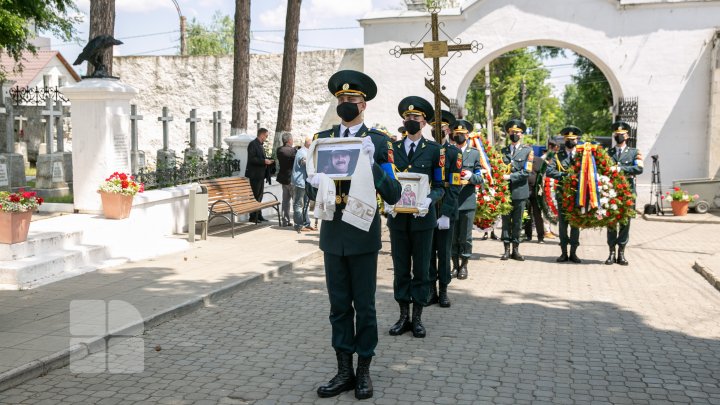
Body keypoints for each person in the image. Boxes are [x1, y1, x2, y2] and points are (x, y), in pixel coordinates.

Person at [308, 70, 401, 400]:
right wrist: (313, 184)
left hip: (362, 233)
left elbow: (393, 193)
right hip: (333, 232)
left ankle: (364, 371)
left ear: (364, 105)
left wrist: (372, 163)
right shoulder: (324, 138)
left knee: (365, 306)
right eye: (341, 100)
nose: (346, 104)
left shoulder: (378, 142)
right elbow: (310, 191)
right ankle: (343, 371)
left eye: (352, 100)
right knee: (338, 307)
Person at [386, 96, 445, 338]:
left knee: (421, 269)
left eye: (416, 118)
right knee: (401, 269)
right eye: (408, 117)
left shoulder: (435, 150)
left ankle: (418, 318)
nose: (411, 121)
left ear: (424, 123)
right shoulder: (393, 150)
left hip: (423, 219)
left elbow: (441, 185)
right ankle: (403, 316)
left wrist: (429, 200)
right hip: (398, 219)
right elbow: (387, 180)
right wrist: (388, 202)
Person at [428, 110, 461, 307]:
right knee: (428, 251)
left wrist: (447, 213)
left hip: (446, 207)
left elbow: (455, 185)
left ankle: (444, 290)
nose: (437, 131)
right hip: (429, 206)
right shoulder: (427, 150)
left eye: (440, 128)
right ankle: (431, 289)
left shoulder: (454, 153)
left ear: (448, 130)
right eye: (434, 128)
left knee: (444, 251)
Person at [605, 121, 644, 265]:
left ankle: (621, 253)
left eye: (622, 134)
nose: (619, 136)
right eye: (617, 134)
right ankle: (611, 253)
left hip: (627, 192)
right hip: (610, 192)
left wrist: (620, 169)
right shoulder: (608, 153)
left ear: (627, 136)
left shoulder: (635, 152)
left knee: (625, 223)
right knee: (610, 222)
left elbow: (639, 169)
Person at [449, 119, 483, 279]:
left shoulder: (475, 154)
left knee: (466, 237)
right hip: (451, 200)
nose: (459, 136)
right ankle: (454, 265)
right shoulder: (448, 151)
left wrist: (471, 177)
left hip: (467, 201)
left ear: (467, 135)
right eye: (457, 134)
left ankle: (464, 265)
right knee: (452, 236)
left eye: (462, 134)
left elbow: (480, 178)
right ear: (453, 134)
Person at [546, 126, 583, 263]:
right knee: (563, 224)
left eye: (573, 139)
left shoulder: (582, 156)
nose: (570, 141)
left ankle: (574, 252)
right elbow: (549, 171)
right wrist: (564, 175)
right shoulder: (557, 156)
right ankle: (563, 252)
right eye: (568, 139)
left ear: (577, 140)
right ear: (564, 140)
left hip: (577, 195)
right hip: (562, 194)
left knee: (575, 224)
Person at [500, 119, 534, 261]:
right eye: (512, 132)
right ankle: (506, 249)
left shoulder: (528, 151)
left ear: (522, 134)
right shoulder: (503, 151)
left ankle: (516, 249)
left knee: (518, 222)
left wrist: (510, 177)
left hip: (520, 191)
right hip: (506, 193)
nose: (515, 134)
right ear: (508, 134)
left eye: (517, 132)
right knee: (506, 221)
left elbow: (527, 172)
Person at [246, 127, 274, 222]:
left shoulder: (260, 145)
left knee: (259, 196)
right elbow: (252, 159)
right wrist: (264, 161)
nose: (266, 137)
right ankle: (253, 216)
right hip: (255, 175)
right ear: (261, 135)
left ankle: (258, 214)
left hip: (260, 175)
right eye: (266, 136)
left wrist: (268, 161)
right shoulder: (253, 144)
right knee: (255, 196)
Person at [524, 145, 546, 243]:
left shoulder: (539, 161)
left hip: (536, 191)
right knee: (526, 214)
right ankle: (528, 235)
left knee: (537, 215)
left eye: (531, 153)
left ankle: (540, 236)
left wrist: (543, 186)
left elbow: (545, 174)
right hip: (525, 190)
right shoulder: (522, 161)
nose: (530, 155)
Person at [292, 135, 314, 233]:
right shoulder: (301, 152)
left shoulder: (308, 151)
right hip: (300, 182)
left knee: (305, 204)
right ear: (308, 143)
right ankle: (298, 225)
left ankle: (306, 223)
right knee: (298, 204)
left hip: (306, 182)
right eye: (312, 142)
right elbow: (304, 162)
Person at [276, 132, 297, 227]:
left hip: (283, 179)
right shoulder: (292, 151)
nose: (292, 141)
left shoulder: (279, 150)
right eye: (292, 140)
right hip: (291, 179)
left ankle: (285, 221)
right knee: (296, 201)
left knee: (285, 201)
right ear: (289, 140)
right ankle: (298, 221)